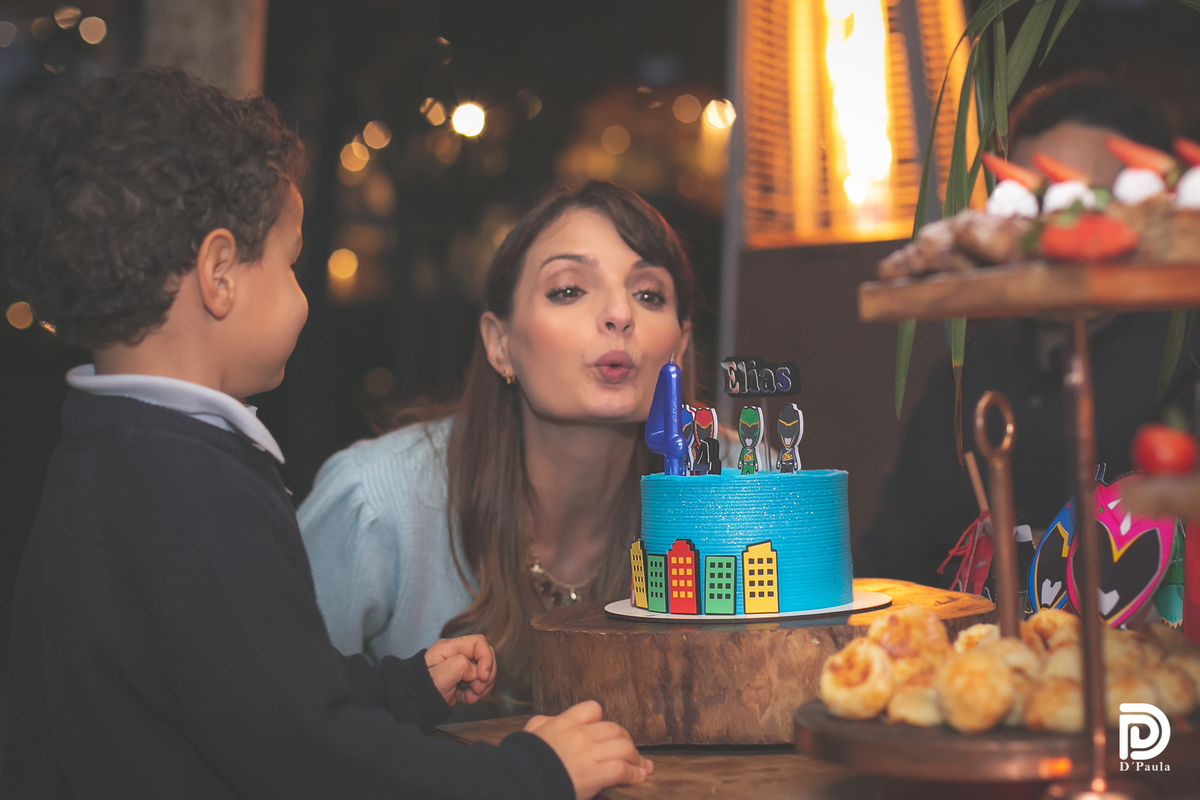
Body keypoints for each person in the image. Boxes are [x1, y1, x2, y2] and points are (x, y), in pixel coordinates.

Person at [1, 68, 650, 799]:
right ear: (220, 273)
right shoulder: (187, 489)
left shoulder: (110, 453)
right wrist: (532, 775)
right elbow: (306, 757)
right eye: (291, 263)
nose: (303, 296)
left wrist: (400, 690)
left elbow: (248, 685)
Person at [299, 180, 694, 708]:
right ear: (499, 343)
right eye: (569, 289)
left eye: (649, 295)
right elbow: (281, 724)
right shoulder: (375, 505)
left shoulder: (739, 486)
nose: (620, 314)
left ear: (680, 345)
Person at [856, 75, 1197, 588]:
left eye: (1077, 202)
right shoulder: (966, 372)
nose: (1049, 232)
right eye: (1030, 202)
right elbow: (891, 562)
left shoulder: (1184, 363)